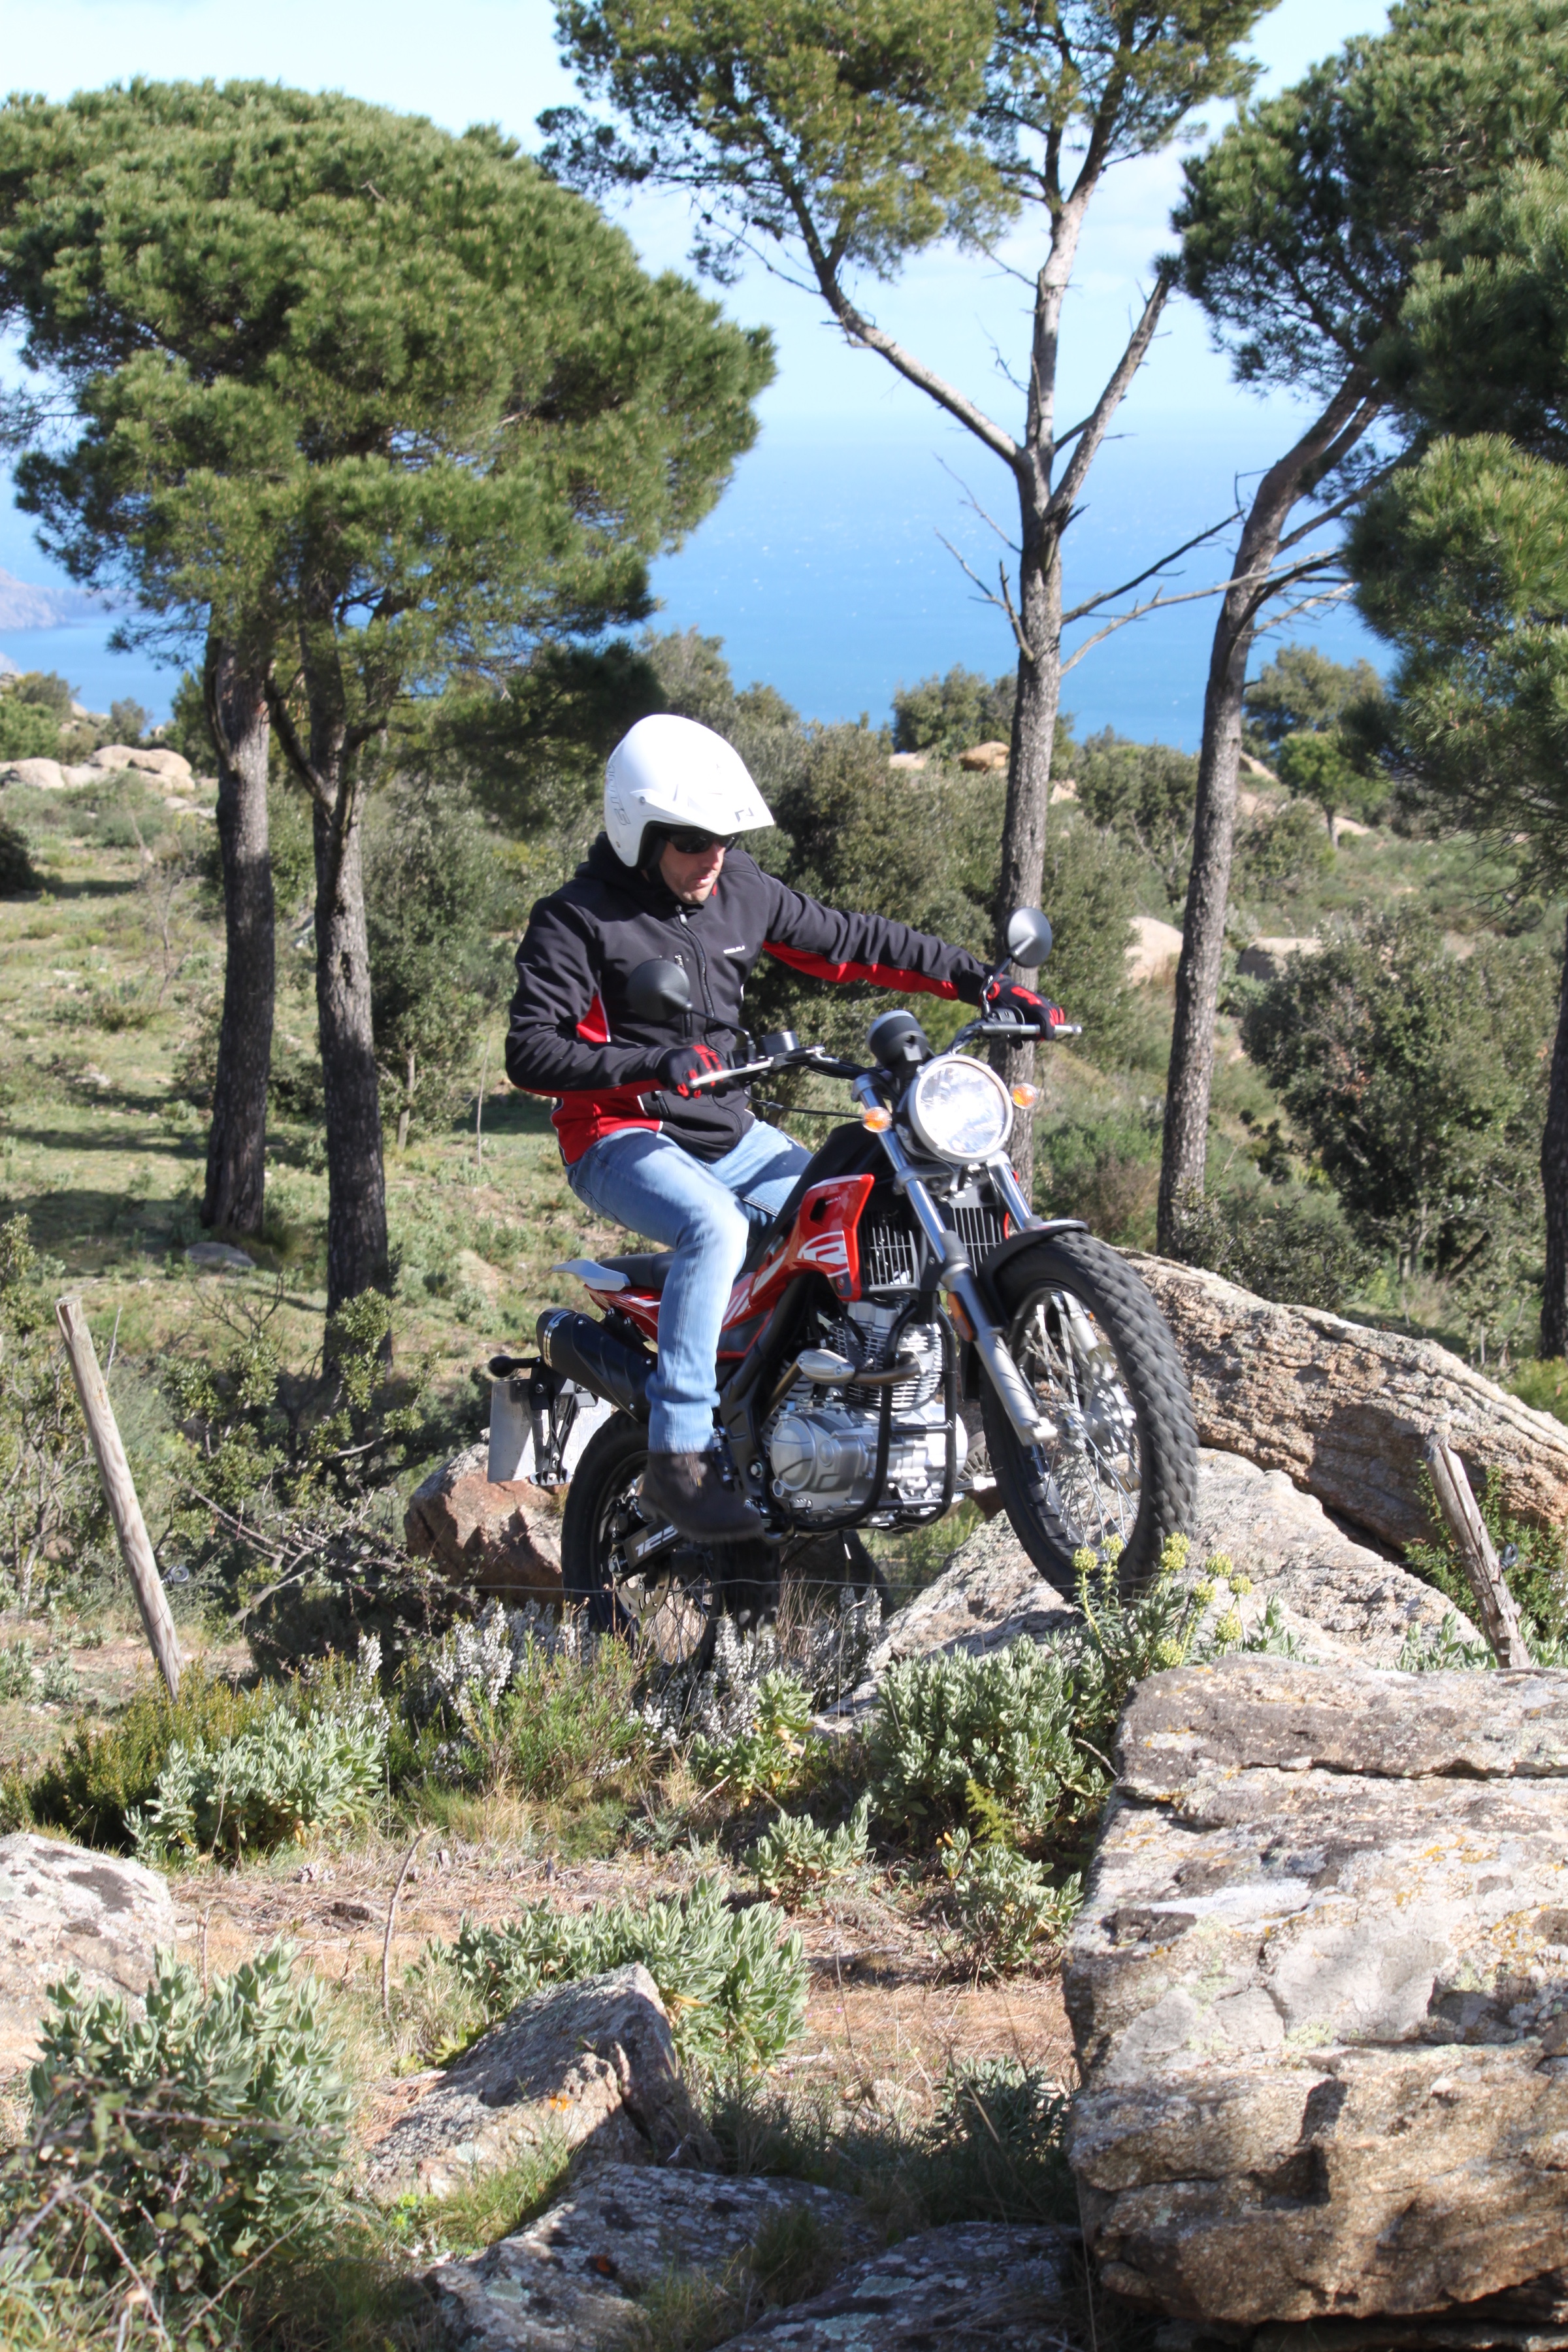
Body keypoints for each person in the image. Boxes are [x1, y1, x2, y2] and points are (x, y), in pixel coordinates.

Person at [505, 713, 1049, 1544]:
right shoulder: (577, 919)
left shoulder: (740, 889)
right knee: (716, 1226)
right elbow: (530, 1052)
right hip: (618, 1136)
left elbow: (854, 942)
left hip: (729, 1134)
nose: (713, 856)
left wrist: (980, 983)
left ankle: (854, 1412)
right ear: (637, 832)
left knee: (857, 1208)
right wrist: (650, 1064)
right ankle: (678, 1459)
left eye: (724, 838)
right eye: (693, 841)